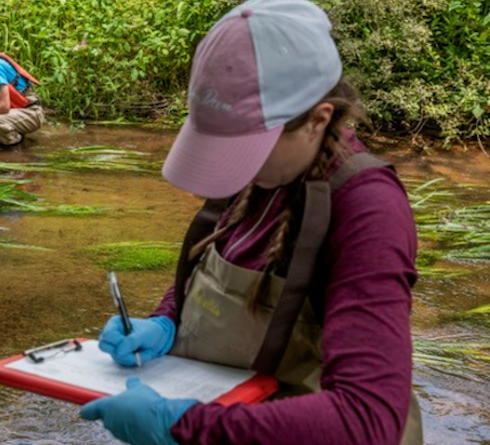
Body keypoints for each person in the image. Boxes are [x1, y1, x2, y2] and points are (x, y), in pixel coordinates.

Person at [79, 0, 423, 444]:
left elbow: (366, 421)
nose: (234, 168)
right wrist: (165, 321)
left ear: (319, 119)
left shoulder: (369, 210)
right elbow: (220, 263)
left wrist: (182, 427)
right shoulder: (266, 171)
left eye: (246, 148)